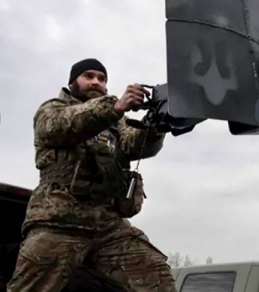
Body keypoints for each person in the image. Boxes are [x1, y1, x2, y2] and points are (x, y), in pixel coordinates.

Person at [7, 58, 178, 291]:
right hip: (58, 221)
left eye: (102, 79)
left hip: (107, 225)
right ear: (73, 83)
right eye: (89, 76)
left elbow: (136, 146)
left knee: (156, 277)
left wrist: (157, 123)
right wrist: (115, 106)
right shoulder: (53, 109)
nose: (96, 82)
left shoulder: (117, 123)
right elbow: (58, 126)